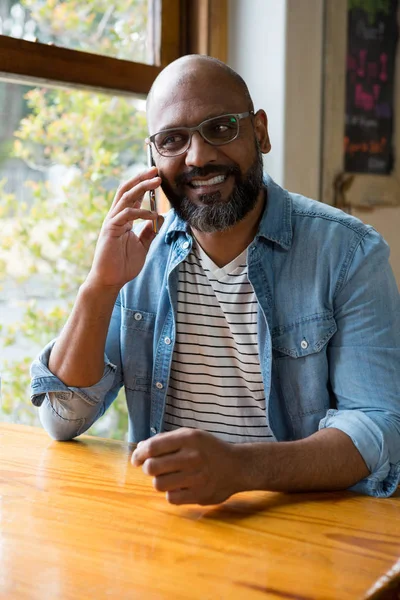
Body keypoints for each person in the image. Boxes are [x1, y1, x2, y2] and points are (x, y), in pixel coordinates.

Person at [31, 54, 400, 506]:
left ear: (259, 132)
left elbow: (378, 426)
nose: (199, 156)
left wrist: (242, 468)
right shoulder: (136, 255)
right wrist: (100, 286)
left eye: (221, 128)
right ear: (153, 156)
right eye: (172, 140)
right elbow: (63, 419)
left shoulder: (349, 252)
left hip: (305, 529)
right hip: (173, 529)